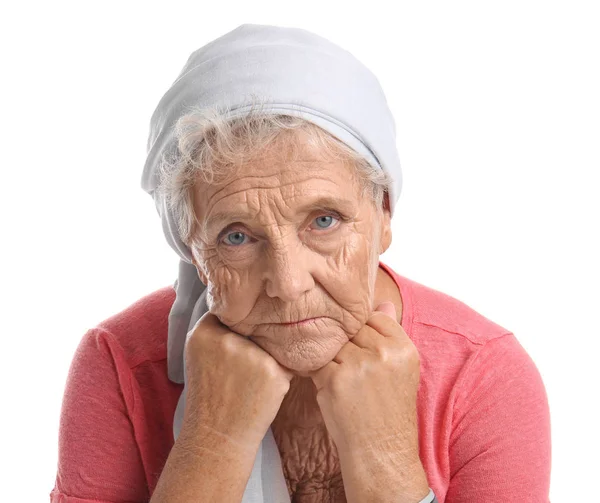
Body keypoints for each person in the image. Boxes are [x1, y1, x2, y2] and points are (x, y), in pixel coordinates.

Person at [49, 24, 551, 503]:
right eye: (237, 236)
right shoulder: (120, 363)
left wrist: (385, 457)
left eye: (324, 221)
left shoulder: (482, 373)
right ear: (193, 251)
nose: (288, 285)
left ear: (383, 216)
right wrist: (213, 443)